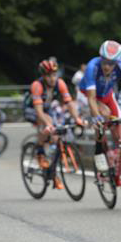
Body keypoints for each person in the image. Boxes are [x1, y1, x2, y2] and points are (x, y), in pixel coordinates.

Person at [79, 40, 121, 165]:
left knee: (118, 122)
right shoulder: (92, 66)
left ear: (117, 62)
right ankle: (98, 151)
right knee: (104, 114)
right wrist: (97, 117)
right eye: (104, 61)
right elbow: (91, 98)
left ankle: (119, 152)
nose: (107, 66)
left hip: (108, 94)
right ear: (100, 57)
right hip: (91, 94)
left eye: (111, 63)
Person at [24, 59, 83, 188]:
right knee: (48, 123)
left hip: (47, 108)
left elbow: (69, 103)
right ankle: (39, 151)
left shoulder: (60, 83)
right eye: (48, 75)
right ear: (43, 76)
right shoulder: (37, 85)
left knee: (56, 137)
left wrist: (77, 119)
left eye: (54, 75)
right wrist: (48, 125)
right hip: (32, 109)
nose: (52, 78)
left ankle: (51, 172)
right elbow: (39, 112)